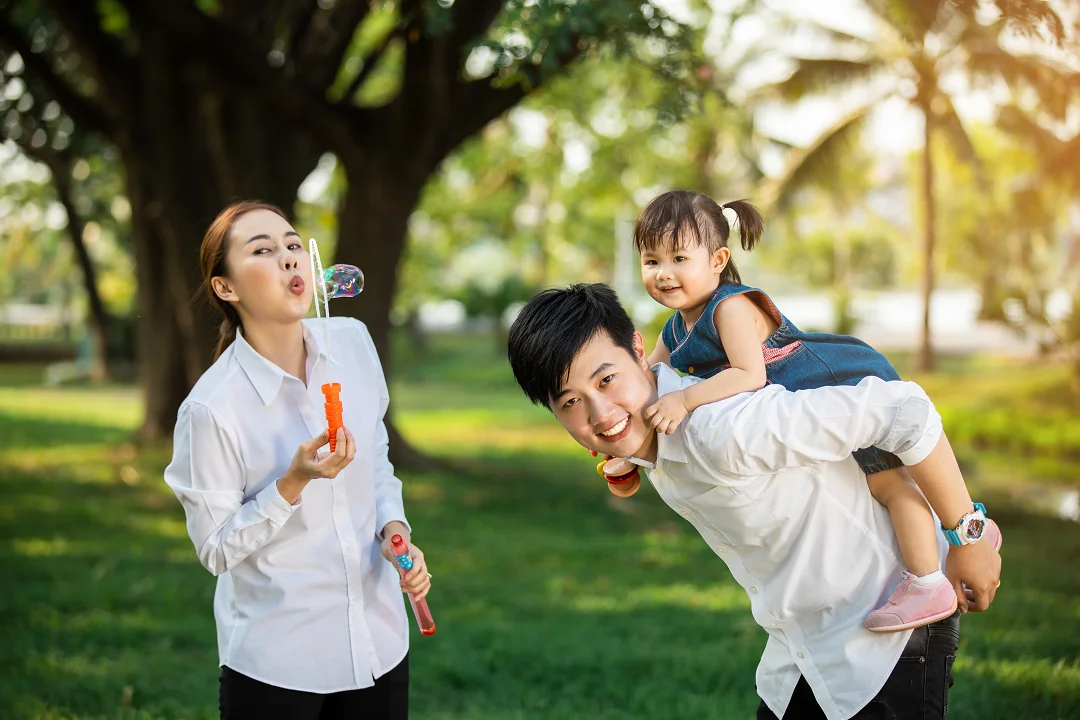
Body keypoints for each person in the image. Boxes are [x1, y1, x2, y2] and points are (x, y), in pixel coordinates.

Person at [506, 283, 1002, 720]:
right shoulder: (651, 427)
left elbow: (905, 410)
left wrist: (969, 536)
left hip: (889, 629)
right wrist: (622, 459)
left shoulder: (725, 428)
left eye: (606, 380)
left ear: (639, 350)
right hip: (804, 646)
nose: (600, 413)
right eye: (571, 402)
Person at [613, 189, 965, 632]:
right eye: (651, 261)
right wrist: (625, 441)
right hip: (802, 406)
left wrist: (684, 399)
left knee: (887, 483)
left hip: (835, 383)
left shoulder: (730, 308)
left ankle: (928, 581)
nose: (663, 273)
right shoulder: (675, 327)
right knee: (867, 486)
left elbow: (748, 375)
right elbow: (649, 380)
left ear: (718, 260)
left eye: (679, 258)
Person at [163, 201, 430, 720]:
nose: (288, 258)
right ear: (226, 287)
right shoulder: (211, 409)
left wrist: (394, 531)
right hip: (279, 663)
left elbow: (376, 461)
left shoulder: (352, 342)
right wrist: (291, 483)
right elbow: (215, 550)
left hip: (378, 642)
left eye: (292, 245)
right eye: (262, 250)